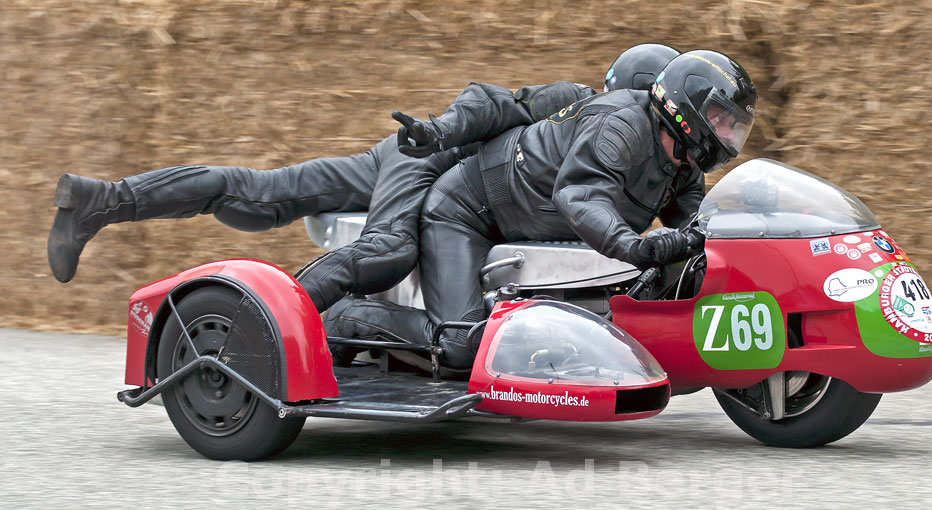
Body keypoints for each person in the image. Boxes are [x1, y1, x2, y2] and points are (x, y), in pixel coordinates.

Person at [47, 44, 679, 319]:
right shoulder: (584, 109)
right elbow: (493, 103)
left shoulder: (627, 134)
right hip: (430, 160)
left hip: (417, 156)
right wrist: (439, 129)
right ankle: (283, 320)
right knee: (387, 250)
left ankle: (101, 200)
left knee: (262, 198)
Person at [324, 49, 758, 369]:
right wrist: (637, 247)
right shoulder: (621, 126)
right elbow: (581, 197)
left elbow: (697, 224)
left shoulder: (684, 164)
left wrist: (746, 226)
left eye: (734, 124)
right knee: (462, 346)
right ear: (685, 109)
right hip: (468, 213)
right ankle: (348, 317)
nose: (728, 132)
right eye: (721, 118)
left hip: (531, 230)